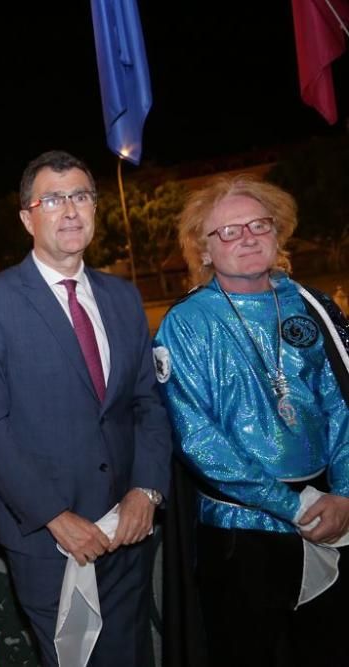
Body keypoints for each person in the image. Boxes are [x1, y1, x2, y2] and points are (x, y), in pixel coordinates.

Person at [0, 150, 172, 666]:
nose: (71, 210)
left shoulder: (123, 297)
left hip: (127, 534)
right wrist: (55, 516)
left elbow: (147, 403)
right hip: (49, 546)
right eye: (53, 199)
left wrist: (146, 490)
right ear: (27, 218)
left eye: (81, 196)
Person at [154, 175, 349, 667]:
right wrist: (293, 504)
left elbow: (343, 406)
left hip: (333, 514)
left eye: (258, 225)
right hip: (242, 533)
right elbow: (197, 437)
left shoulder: (315, 307)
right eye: (229, 231)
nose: (246, 237)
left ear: (278, 233)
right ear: (203, 249)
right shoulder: (186, 323)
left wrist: (344, 494)